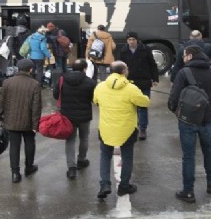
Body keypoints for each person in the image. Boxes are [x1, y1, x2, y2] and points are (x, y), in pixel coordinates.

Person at [168, 45, 211, 203]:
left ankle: (188, 192)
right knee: (208, 151)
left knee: (188, 156)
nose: (183, 58)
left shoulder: (183, 73)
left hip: (187, 121)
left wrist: (176, 111)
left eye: (185, 56)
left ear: (190, 56)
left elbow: (173, 98)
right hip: (207, 120)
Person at [93, 61, 151, 199]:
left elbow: (95, 101)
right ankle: (124, 186)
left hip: (106, 128)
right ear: (124, 72)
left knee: (105, 155)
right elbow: (145, 103)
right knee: (127, 157)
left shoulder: (100, 87)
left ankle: (105, 184)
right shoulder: (131, 88)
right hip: (127, 129)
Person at [0, 59, 42, 183]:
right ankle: (29, 167)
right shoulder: (35, 84)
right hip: (28, 121)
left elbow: (1, 102)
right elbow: (36, 106)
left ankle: (15, 173)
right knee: (30, 143)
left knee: (14, 147)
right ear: (30, 69)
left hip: (11, 120)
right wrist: (35, 124)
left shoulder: (7, 82)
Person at [54, 59, 97, 179]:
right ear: (84, 68)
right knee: (84, 137)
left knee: (70, 140)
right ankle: (81, 160)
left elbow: (56, 95)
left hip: (67, 115)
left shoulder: (63, 79)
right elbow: (94, 99)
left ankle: (71, 168)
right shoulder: (90, 82)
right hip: (84, 115)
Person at [119, 31, 158, 140]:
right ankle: (133, 128)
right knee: (131, 107)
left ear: (137, 40)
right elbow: (121, 67)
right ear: (127, 41)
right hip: (129, 83)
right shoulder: (123, 50)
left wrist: (155, 79)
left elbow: (152, 64)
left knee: (143, 106)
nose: (131, 42)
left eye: (133, 40)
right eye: (129, 40)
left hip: (144, 82)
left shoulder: (145, 49)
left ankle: (143, 129)